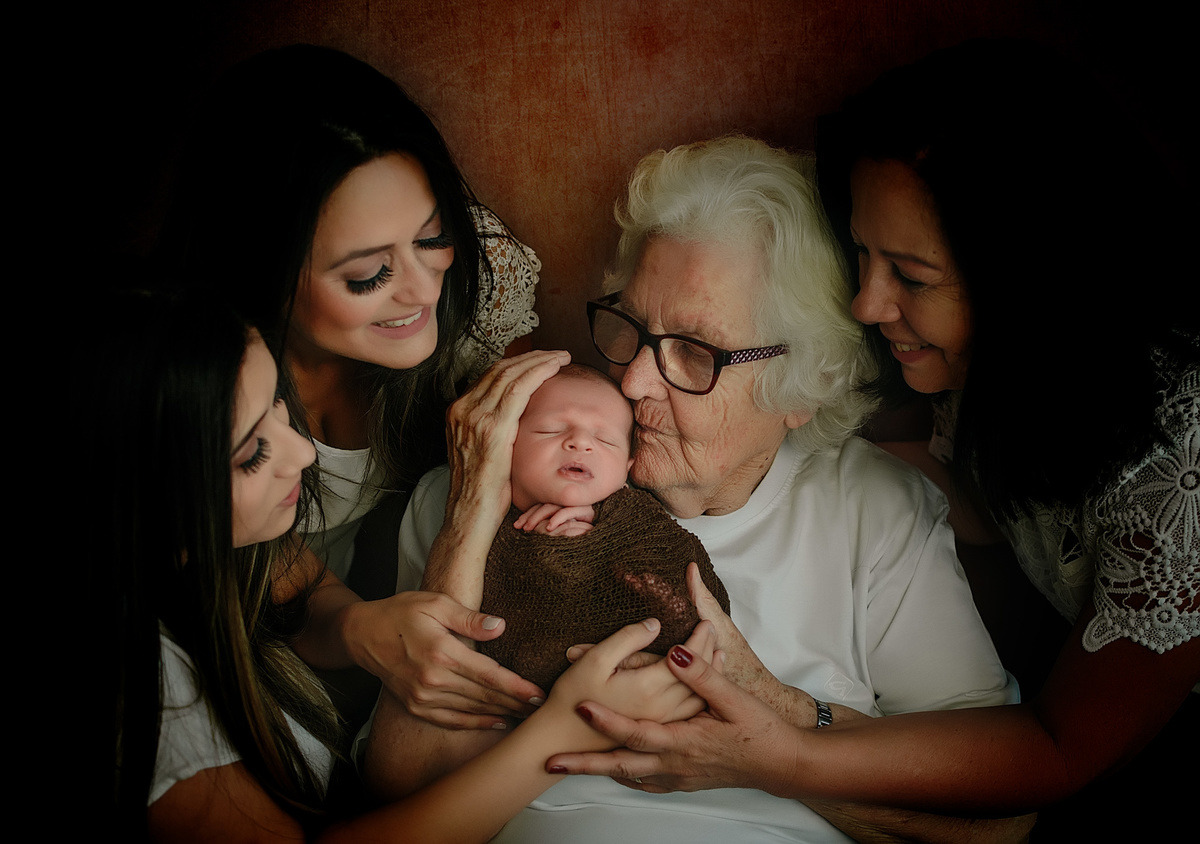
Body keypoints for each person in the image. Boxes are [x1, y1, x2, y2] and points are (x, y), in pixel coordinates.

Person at [548, 40, 1198, 841]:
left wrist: (772, 742)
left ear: (1025, 283)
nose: (866, 303)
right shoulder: (985, 375)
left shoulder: (1177, 469)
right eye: (863, 255)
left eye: (912, 276)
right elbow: (987, 498)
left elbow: (1051, 760)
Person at [365, 136, 1033, 842]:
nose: (633, 382)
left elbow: (996, 827)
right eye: (629, 327)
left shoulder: (875, 511)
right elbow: (402, 792)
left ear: (800, 383)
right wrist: (472, 514)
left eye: (694, 351)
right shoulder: (486, 491)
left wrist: (766, 728)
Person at [86, 287, 717, 842]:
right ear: (141, 504)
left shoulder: (231, 545)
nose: (304, 452)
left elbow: (302, 600)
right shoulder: (153, 703)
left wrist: (360, 629)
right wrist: (558, 732)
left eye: (281, 411)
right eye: (253, 452)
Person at [153, 43, 545, 731]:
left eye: (432, 238)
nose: (424, 291)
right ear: (264, 270)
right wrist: (362, 630)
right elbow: (270, 572)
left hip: (381, 631)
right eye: (368, 276)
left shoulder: (469, 301)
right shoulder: (206, 376)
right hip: (246, 661)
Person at [463, 362, 729, 691]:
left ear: (626, 469)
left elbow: (693, 596)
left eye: (604, 439)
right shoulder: (478, 527)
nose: (581, 442)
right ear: (507, 443)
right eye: (551, 429)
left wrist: (605, 540)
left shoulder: (639, 521)